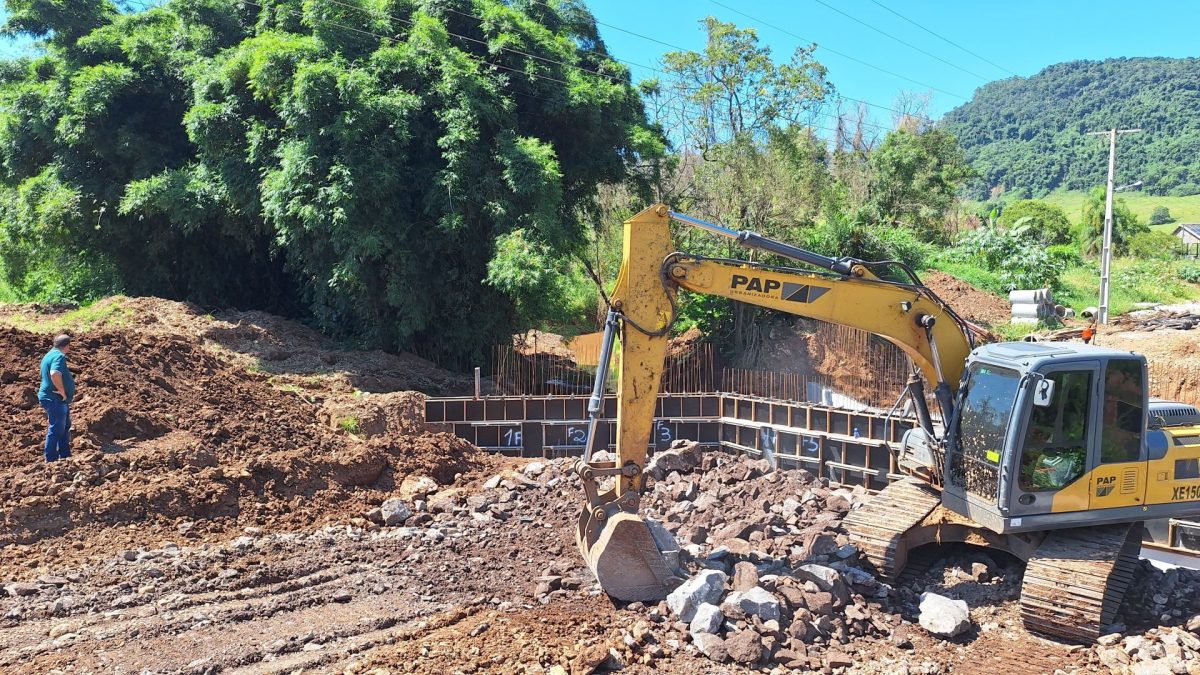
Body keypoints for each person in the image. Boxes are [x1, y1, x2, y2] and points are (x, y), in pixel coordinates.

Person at [38, 334, 76, 462]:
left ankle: (65, 456)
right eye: (69, 346)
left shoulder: (48, 355)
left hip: (53, 398)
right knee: (57, 428)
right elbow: (54, 373)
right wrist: (62, 391)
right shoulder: (58, 356)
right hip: (54, 398)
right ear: (66, 346)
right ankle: (51, 460)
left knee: (64, 426)